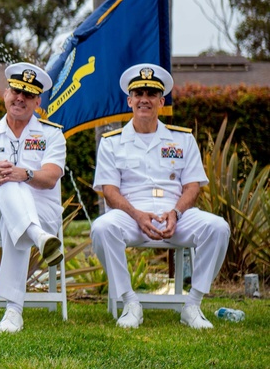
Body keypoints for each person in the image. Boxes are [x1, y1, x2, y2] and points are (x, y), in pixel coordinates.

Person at [91, 64, 229, 330]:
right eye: (139, 93)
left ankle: (193, 304)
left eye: (152, 93)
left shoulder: (182, 140)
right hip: (131, 216)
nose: (145, 99)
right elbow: (109, 191)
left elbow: (192, 186)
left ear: (161, 101)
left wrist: (176, 213)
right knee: (101, 228)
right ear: (129, 100)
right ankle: (130, 302)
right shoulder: (112, 141)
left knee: (218, 228)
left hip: (174, 216)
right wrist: (137, 215)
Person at [0, 62, 66, 333]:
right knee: (5, 182)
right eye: (15, 91)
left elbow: (50, 177)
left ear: (37, 101)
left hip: (43, 213)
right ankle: (38, 239)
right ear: (5, 94)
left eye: (27, 94)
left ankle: (14, 311)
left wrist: (25, 173)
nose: (19, 98)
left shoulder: (52, 134)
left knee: (13, 189)